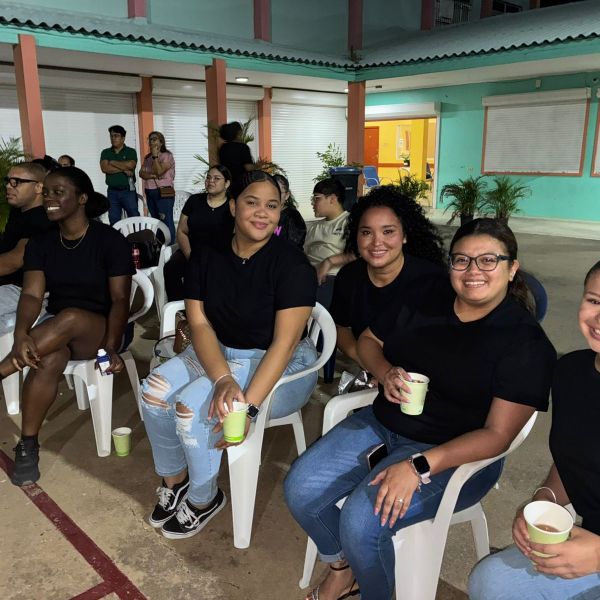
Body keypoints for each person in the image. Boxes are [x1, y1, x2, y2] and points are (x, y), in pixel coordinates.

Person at [284, 218, 556, 600]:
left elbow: (498, 435)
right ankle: (344, 570)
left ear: (512, 268)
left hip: (457, 455)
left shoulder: (525, 342)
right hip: (384, 424)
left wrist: (419, 466)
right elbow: (367, 341)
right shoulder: (425, 295)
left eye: (488, 261)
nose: (473, 271)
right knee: (300, 488)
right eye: (461, 260)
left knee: (362, 521)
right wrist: (384, 371)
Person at [141, 170, 318, 540]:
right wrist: (222, 377)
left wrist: (248, 408)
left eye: (272, 205)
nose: (262, 213)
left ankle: (205, 498)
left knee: (192, 409)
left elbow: (283, 345)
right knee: (154, 392)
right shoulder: (208, 255)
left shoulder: (292, 265)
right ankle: (175, 481)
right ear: (234, 205)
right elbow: (200, 323)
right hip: (219, 349)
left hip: (279, 365)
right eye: (252, 202)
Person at [468, 261, 600, 600]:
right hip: (586, 543)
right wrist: (544, 500)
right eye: (595, 301)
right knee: (491, 581)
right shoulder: (570, 372)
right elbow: (575, 459)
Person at [0, 167, 135, 487]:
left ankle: (2, 369)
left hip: (104, 331)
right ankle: (28, 444)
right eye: (46, 192)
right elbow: (32, 294)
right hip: (57, 330)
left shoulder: (109, 241)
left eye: (58, 192)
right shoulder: (42, 244)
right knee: (50, 357)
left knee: (72, 316)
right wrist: (21, 333)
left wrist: (112, 346)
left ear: (82, 198)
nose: (49, 198)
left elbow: (119, 301)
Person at [330, 185, 446, 370]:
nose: (377, 242)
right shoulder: (349, 276)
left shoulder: (431, 280)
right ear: (356, 236)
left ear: (405, 235)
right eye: (367, 232)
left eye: (388, 231)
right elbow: (340, 327)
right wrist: (366, 361)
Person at [163, 165, 233, 302]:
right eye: (208, 177)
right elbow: (182, 231)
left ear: (227, 183)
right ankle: (179, 310)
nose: (210, 181)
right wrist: (190, 255)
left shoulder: (233, 205)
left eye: (216, 178)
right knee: (172, 267)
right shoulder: (194, 201)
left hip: (219, 254)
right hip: (192, 250)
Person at [0, 162, 52, 334]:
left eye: (17, 182)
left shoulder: (41, 218)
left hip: (22, 290)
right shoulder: (19, 213)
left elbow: (15, 261)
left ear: (38, 187)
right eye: (8, 181)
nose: (9, 186)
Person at [303, 178, 351, 307]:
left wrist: (328, 262)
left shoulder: (348, 222)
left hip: (331, 278)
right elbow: (305, 254)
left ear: (332, 199)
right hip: (308, 276)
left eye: (317, 198)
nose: (313, 203)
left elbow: (358, 253)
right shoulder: (315, 226)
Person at [138, 131, 176, 242]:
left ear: (161, 142)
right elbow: (141, 174)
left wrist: (155, 157)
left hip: (163, 192)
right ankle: (159, 245)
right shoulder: (147, 157)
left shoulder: (167, 156)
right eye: (150, 139)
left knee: (166, 220)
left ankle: (170, 246)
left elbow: (159, 171)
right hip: (150, 191)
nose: (151, 141)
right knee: (156, 220)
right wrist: (152, 175)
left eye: (154, 139)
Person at [100, 125, 139, 225]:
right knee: (113, 218)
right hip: (112, 192)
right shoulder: (106, 152)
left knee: (133, 217)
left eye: (116, 136)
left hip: (128, 191)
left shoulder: (131, 151)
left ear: (123, 138)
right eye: (111, 136)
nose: (113, 138)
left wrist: (112, 162)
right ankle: (117, 240)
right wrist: (123, 168)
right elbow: (105, 168)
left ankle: (136, 240)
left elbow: (131, 165)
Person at [273, 173, 306, 249]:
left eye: (279, 192)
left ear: (287, 195)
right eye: (272, 191)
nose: (275, 195)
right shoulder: (264, 213)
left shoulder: (293, 217)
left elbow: (293, 245)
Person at [217, 121, 253, 188]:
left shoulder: (222, 148)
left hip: (227, 184)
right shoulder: (243, 147)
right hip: (242, 184)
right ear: (237, 133)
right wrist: (257, 166)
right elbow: (249, 168)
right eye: (241, 132)